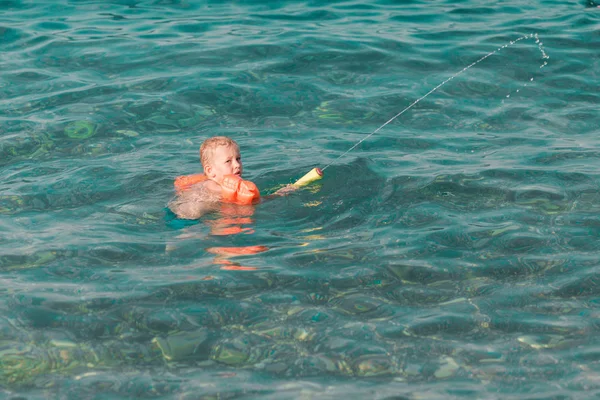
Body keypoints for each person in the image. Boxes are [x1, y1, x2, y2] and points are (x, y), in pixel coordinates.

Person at [168, 136, 264, 220]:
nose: (237, 165)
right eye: (228, 161)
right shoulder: (214, 187)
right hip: (186, 219)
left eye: (238, 158)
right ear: (210, 171)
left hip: (180, 213)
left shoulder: (213, 183)